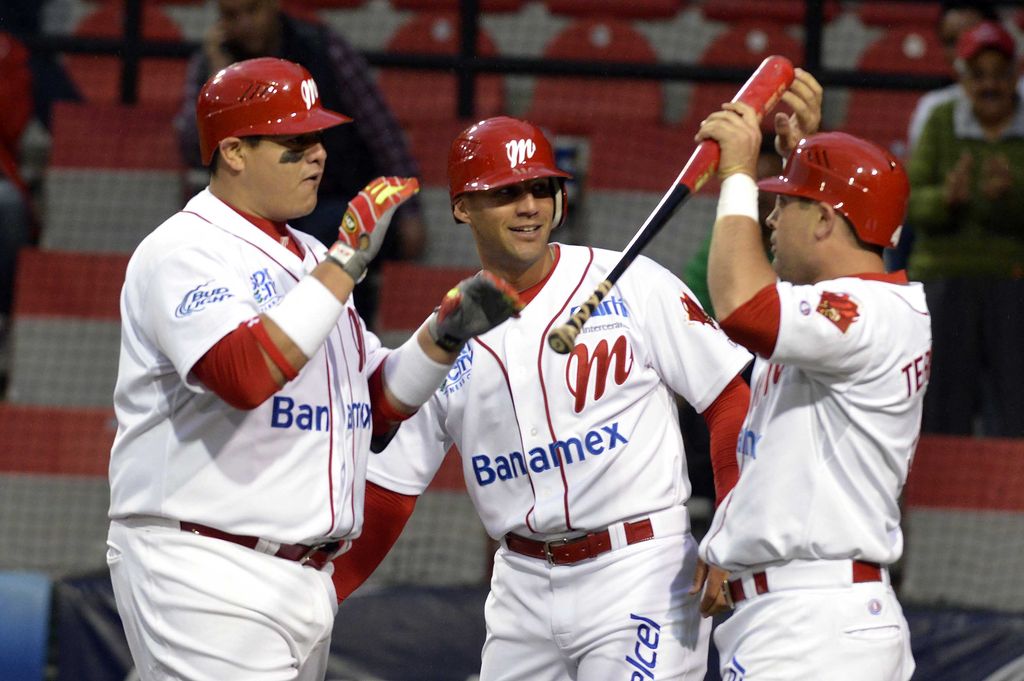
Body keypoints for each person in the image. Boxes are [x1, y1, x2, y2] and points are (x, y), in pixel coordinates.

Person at [107, 57, 523, 681]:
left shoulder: (307, 255)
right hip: (204, 567)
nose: (318, 155)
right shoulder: (185, 249)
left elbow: (374, 407)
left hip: (299, 578)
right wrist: (347, 260)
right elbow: (243, 375)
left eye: (319, 138)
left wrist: (443, 337)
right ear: (233, 151)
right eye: (295, 142)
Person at [327, 112, 759, 680]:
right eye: (506, 193)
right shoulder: (444, 336)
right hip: (521, 586)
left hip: (641, 569)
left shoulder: (631, 282)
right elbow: (391, 492)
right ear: (462, 207)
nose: (529, 206)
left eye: (540, 188)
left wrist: (734, 524)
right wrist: (325, 597)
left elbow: (729, 397)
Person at [691, 78, 929, 679]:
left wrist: (738, 174)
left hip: (816, 626)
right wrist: (807, 154)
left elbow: (741, 303)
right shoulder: (842, 312)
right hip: (808, 618)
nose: (771, 217)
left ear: (824, 221)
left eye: (787, 203)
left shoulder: (870, 312)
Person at [174, 0, 425, 329]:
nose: (245, 24)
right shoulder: (212, 63)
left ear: (274, 5)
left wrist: (409, 210)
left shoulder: (323, 46)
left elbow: (381, 130)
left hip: (330, 199)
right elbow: (194, 148)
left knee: (337, 232)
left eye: (252, 11)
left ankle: (348, 334)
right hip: (252, 210)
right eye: (232, 16)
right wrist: (219, 75)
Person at [906, 20, 1024, 438]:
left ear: (1016, 73)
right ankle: (940, 474)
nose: (989, 85)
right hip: (944, 277)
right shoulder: (940, 120)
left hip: (1013, 280)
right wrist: (946, 199)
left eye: (999, 74)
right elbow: (910, 203)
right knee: (942, 404)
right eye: (979, 75)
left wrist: (1009, 197)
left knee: (1016, 405)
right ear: (962, 77)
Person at [888, 0, 1000, 271]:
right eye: (951, 41)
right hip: (943, 243)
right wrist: (945, 198)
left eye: (971, 34)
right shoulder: (934, 108)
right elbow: (914, 194)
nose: (962, 49)